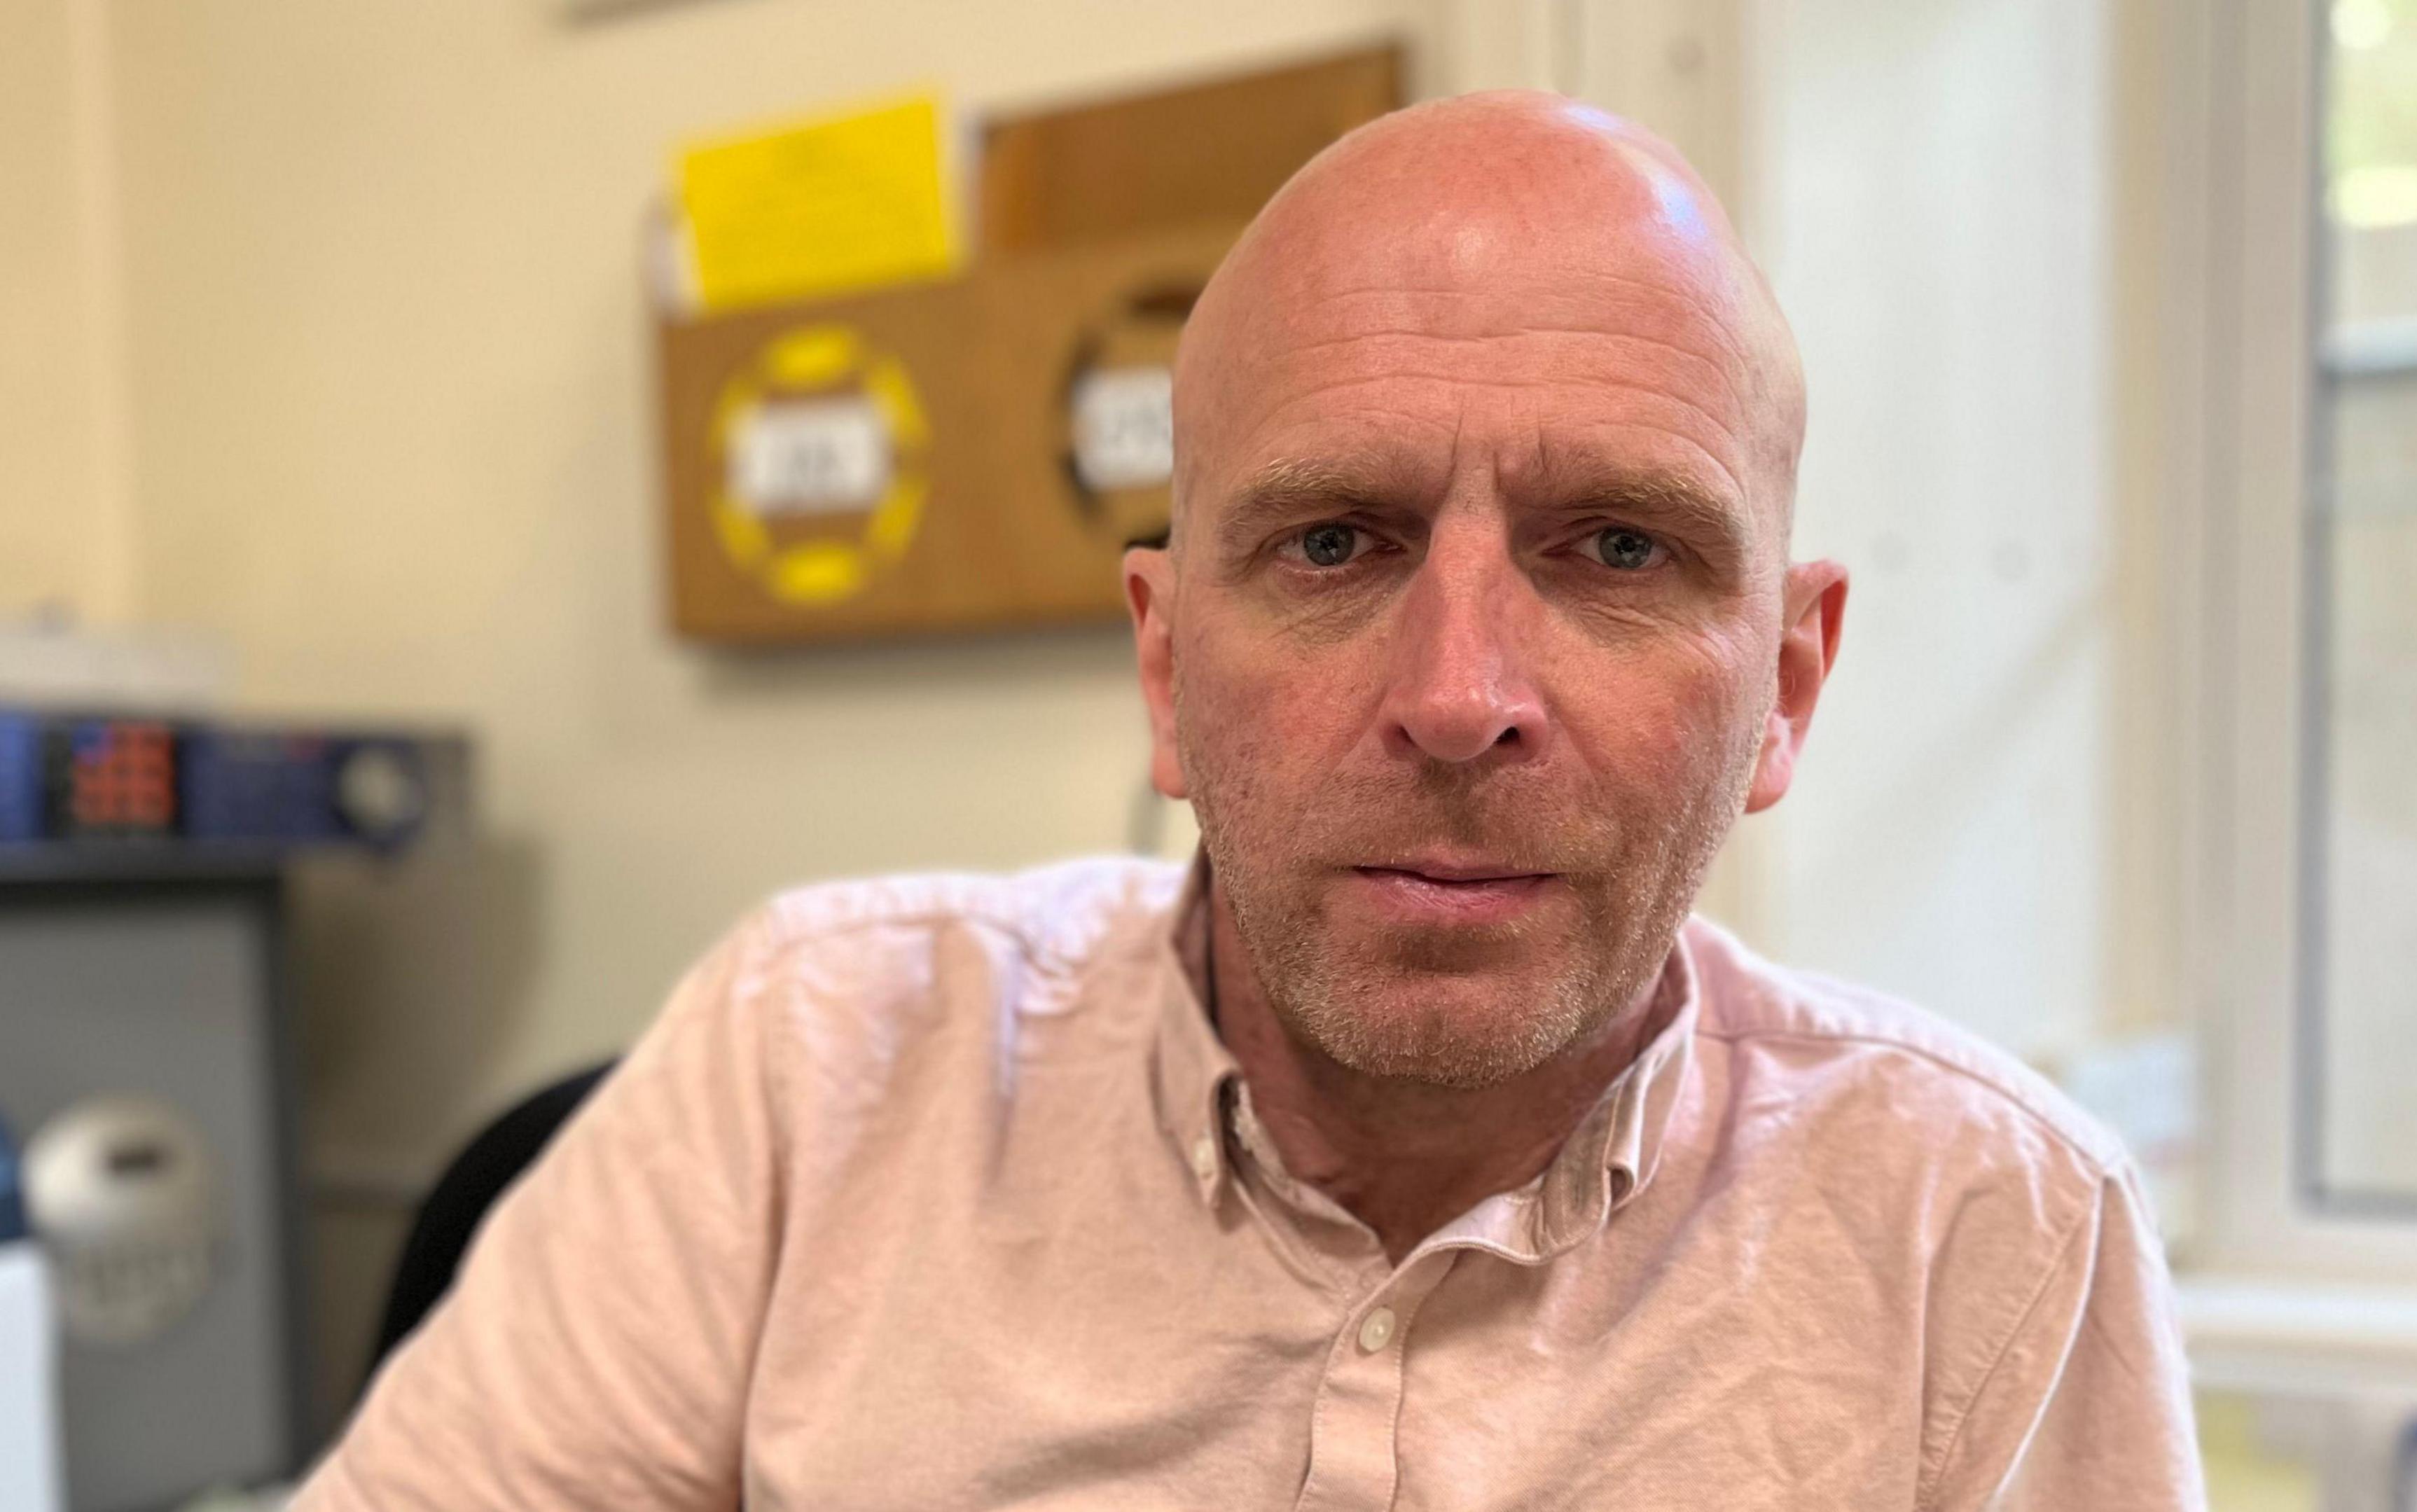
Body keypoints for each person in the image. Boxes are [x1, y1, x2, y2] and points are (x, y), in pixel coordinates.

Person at [296, 92, 2204, 1509]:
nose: (1462, 701)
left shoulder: (1991, 1236)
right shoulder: (813, 1071)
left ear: (1784, 687)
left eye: (1618, 546)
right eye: (1333, 543)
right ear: (1165, 670)